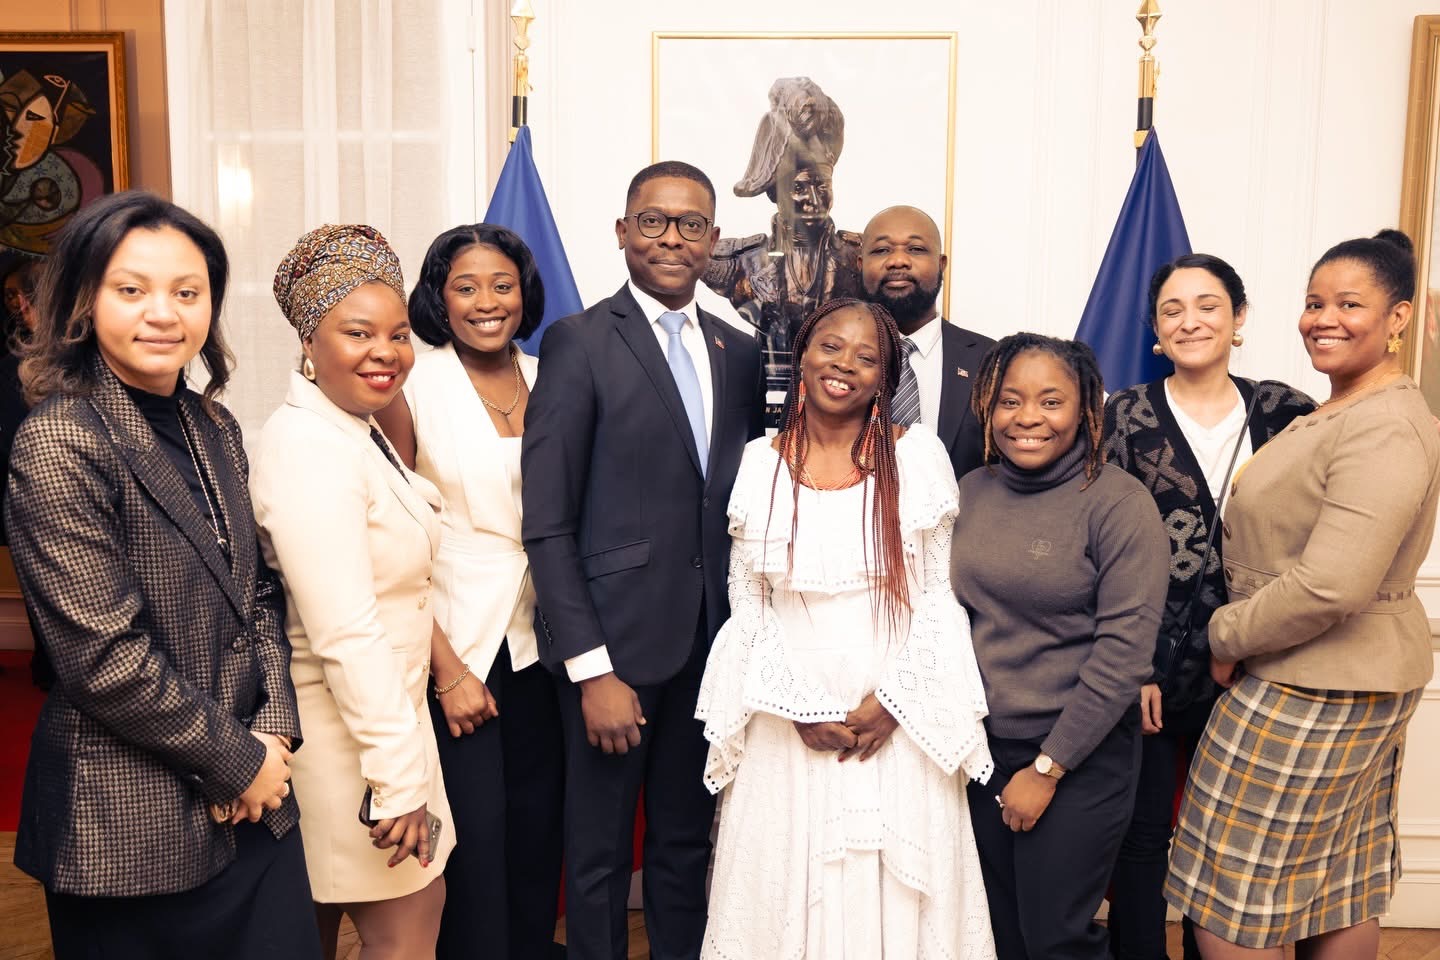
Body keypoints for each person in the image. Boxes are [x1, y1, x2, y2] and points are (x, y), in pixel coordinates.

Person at [4, 190, 321, 959]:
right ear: (85, 296)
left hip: (257, 801)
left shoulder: (212, 425)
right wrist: (240, 761)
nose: (163, 313)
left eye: (188, 292)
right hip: (129, 824)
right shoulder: (58, 441)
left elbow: (260, 593)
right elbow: (105, 661)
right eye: (132, 289)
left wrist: (273, 726)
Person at [1165, 230, 1440, 960]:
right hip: (1340, 675)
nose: (1325, 318)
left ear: (1399, 318)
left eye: (1351, 304)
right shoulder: (1341, 407)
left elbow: (1331, 584)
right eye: (1315, 302)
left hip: (1316, 679)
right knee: (1335, 883)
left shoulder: (1384, 427)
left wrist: (1226, 637)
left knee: (1230, 895)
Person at [695, 298, 996, 959]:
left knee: (892, 875)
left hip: (898, 711)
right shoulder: (757, 463)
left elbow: (940, 598)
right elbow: (749, 600)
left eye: (868, 357)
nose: (845, 366)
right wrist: (795, 706)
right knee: (786, 880)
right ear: (802, 353)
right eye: (831, 347)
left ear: (885, 377)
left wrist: (895, 703)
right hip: (785, 717)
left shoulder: (918, 458)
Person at [522, 160, 764, 960]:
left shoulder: (739, 347)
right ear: (623, 232)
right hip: (613, 654)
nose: (671, 237)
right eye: (653, 221)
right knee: (596, 859)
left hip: (711, 647)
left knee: (685, 846)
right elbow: (548, 525)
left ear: (714, 240)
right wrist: (592, 670)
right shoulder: (578, 342)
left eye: (690, 224)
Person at [253, 224, 463, 960]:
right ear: (309, 341)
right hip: (348, 750)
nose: (386, 351)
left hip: (384, 733)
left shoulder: (355, 428)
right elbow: (346, 631)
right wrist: (396, 779)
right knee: (405, 928)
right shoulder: (311, 447)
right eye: (358, 332)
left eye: (400, 333)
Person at [1102, 254, 1315, 960]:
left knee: (1230, 839)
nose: (1190, 320)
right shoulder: (1123, 417)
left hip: (1260, 666)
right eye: (1172, 310)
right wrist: (1129, 669)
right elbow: (1099, 552)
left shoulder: (1289, 413)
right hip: (1151, 673)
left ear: (1240, 318)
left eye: (1208, 304)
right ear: (1155, 330)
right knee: (1141, 839)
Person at [374, 223, 565, 960]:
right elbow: (387, 539)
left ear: (525, 294)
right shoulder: (411, 388)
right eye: (466, 286)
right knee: (475, 838)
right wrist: (444, 668)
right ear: (438, 299)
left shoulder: (554, 376)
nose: (487, 302)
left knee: (537, 825)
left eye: (503, 284)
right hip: (455, 641)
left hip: (545, 641)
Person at [951, 333, 1169, 959]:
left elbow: (1122, 655)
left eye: (1051, 401)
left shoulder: (1118, 504)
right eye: (1010, 400)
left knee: (1056, 938)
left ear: (1086, 410)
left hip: (1078, 753)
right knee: (1000, 932)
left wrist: (1048, 769)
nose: (1027, 419)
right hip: (984, 751)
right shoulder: (971, 491)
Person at [858, 205, 995, 479]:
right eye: (882, 250)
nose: (898, 261)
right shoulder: (824, 362)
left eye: (916, 249)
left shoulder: (990, 360)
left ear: (941, 264)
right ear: (860, 265)